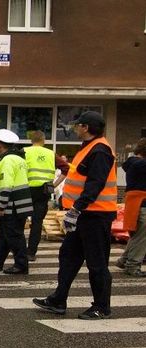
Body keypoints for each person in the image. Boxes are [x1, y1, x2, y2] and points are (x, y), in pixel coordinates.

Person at [33, 111, 118, 320]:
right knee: (68, 256)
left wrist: (77, 208)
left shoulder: (100, 150)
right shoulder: (88, 148)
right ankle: (58, 299)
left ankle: (101, 306)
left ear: (86, 127)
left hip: (96, 215)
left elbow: (95, 184)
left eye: (77, 125)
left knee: (97, 263)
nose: (75, 128)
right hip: (83, 215)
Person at [0, 129, 32, 274]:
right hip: (19, 203)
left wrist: (1, 206)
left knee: (14, 236)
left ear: (0, 145)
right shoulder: (19, 159)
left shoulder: (7, 160)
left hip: (11, 205)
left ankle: (21, 265)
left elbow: (6, 185)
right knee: (4, 235)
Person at [24, 130, 69, 261]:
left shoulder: (24, 151)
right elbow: (66, 168)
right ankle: (31, 253)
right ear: (43, 141)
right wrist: (54, 185)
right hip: (44, 191)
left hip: (26, 190)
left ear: (31, 140)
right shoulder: (50, 154)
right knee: (37, 222)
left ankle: (19, 249)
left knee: (19, 220)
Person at [116, 138, 146, 277]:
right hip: (143, 204)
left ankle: (124, 260)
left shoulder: (132, 163)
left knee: (136, 235)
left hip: (134, 203)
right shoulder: (142, 164)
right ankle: (133, 265)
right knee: (142, 237)